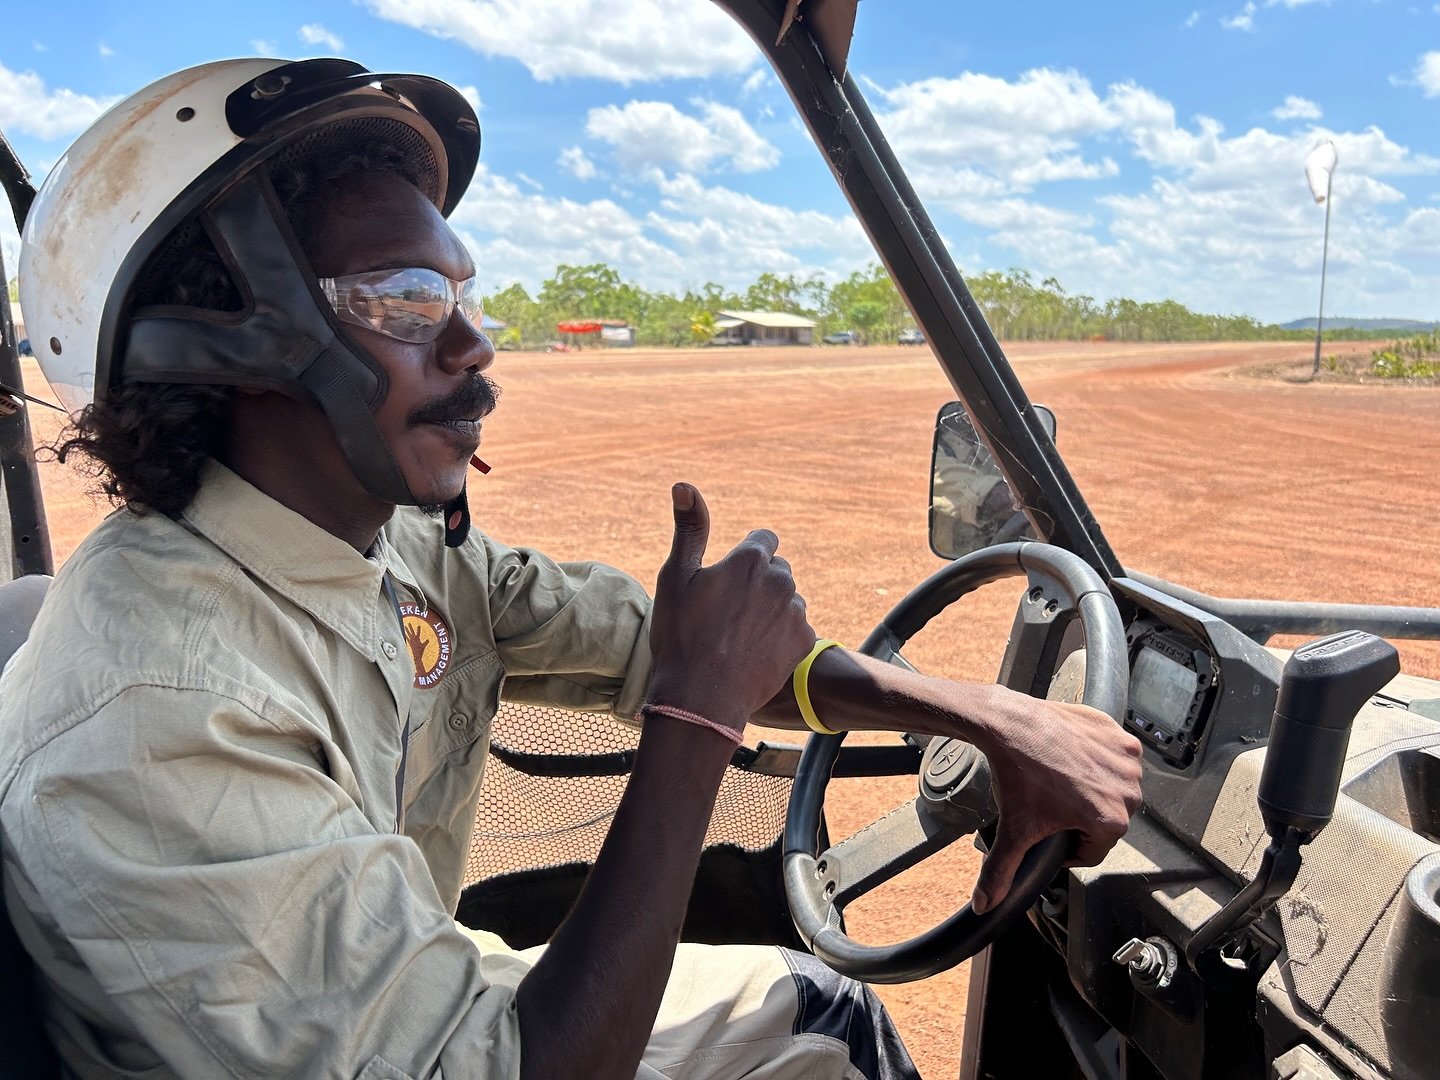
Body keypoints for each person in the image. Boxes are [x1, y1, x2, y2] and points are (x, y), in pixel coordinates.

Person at [0, 58, 1142, 1079]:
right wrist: (694, 717)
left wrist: (985, 716)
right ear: (219, 342)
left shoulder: (380, 542)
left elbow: (654, 642)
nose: (474, 342)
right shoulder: (158, 714)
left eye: (462, 292)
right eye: (406, 301)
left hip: (431, 1005)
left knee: (819, 1010)